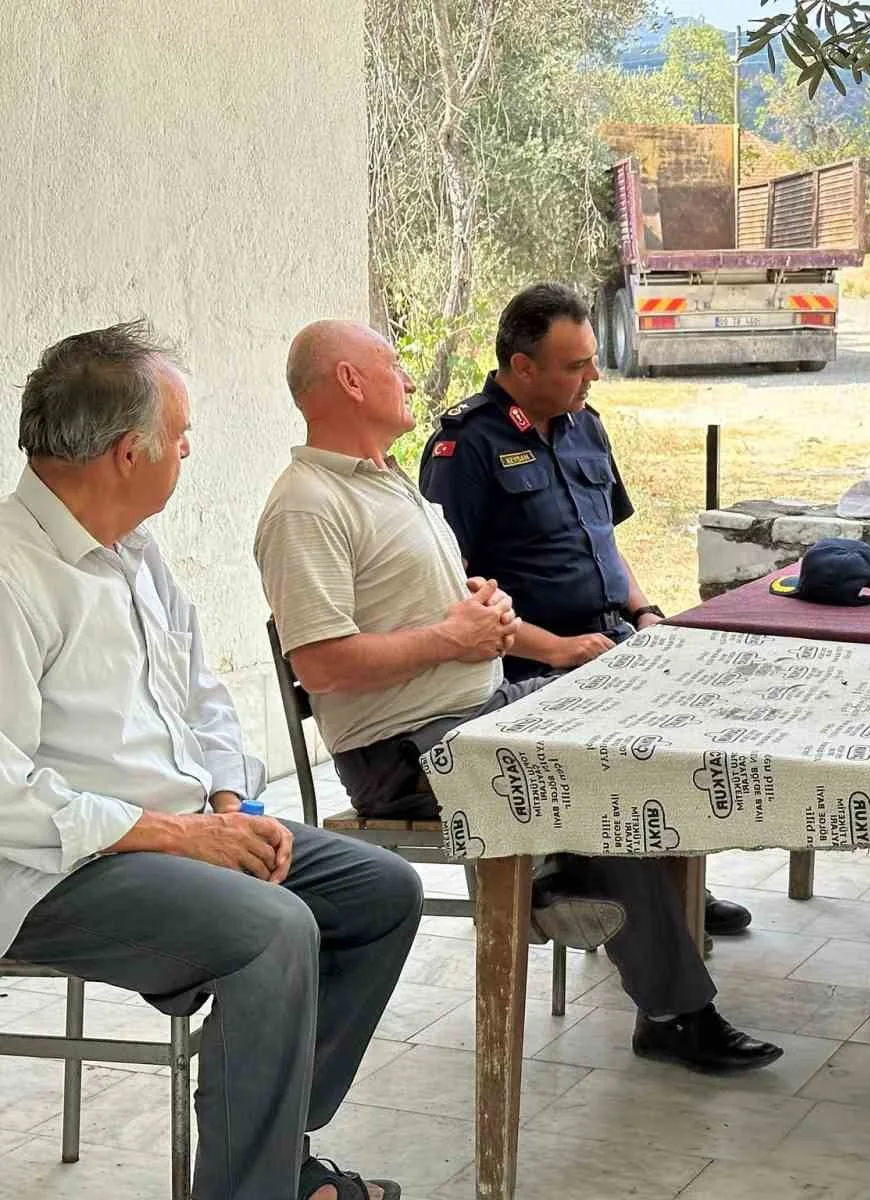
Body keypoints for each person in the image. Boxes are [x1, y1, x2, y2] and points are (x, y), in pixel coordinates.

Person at [254, 318, 782, 1074]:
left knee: (636, 719)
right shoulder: (306, 503)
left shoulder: (384, 481)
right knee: (583, 763)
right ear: (347, 381)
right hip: (408, 752)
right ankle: (639, 974)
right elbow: (323, 665)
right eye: (391, 364)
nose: (407, 378)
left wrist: (486, 614)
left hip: (478, 710)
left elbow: (442, 618)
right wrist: (452, 639)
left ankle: (577, 880)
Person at [1, 322, 419, 1200]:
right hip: (55, 868)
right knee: (272, 930)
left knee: (381, 893)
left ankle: (265, 1147)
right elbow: (8, 792)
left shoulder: (138, 558)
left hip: (181, 833)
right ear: (127, 452)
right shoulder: (12, 573)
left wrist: (227, 801)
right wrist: (170, 838)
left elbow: (207, 704)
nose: (190, 448)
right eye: (181, 433)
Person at [417, 283, 751, 943]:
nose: (594, 376)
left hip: (610, 636)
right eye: (576, 366)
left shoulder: (585, 425)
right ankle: (621, 893)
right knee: (631, 734)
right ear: (522, 369)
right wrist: (556, 649)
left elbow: (606, 543)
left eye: (591, 360)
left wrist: (647, 612)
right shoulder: (466, 447)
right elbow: (453, 590)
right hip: (527, 662)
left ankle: (677, 877)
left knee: (701, 699)